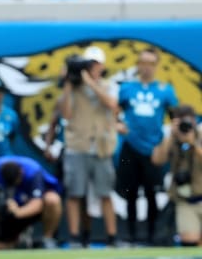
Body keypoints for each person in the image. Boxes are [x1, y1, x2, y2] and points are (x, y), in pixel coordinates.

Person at [59, 46, 119, 247]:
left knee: (105, 193)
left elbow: (111, 104)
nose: (91, 68)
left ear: (102, 66)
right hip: (78, 146)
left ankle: (112, 238)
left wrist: (91, 83)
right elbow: (66, 114)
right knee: (75, 193)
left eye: (94, 64)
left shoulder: (109, 85)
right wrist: (68, 84)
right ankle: (76, 237)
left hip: (101, 147)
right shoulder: (74, 88)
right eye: (87, 65)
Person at [117, 48, 177, 245]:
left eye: (151, 63)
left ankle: (152, 235)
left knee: (152, 192)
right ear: (138, 64)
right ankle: (131, 235)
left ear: (156, 66)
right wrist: (117, 124)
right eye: (143, 62)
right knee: (130, 192)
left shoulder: (164, 90)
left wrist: (166, 142)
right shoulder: (127, 88)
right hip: (130, 147)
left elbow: (175, 117)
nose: (147, 67)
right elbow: (113, 112)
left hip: (153, 149)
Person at [151, 105, 202, 247]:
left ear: (194, 120)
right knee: (189, 241)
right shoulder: (171, 137)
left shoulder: (200, 134)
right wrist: (171, 135)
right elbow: (157, 160)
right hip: (185, 199)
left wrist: (193, 143)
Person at [0, 156, 62, 249]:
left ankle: (48, 239)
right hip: (8, 212)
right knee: (1, 246)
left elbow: (37, 203)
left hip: (29, 208)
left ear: (21, 172)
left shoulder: (33, 171)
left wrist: (17, 212)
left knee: (52, 199)